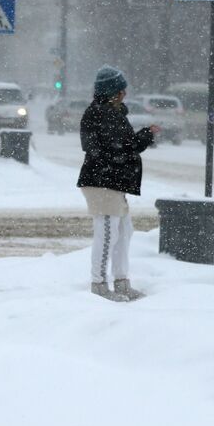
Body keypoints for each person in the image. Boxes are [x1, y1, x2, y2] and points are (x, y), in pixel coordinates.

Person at [77, 66, 159, 302]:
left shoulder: (112, 114)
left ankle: (122, 282)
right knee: (107, 233)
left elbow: (126, 144)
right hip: (101, 182)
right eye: (121, 88)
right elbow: (115, 147)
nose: (125, 92)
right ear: (113, 91)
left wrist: (145, 135)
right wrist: (135, 144)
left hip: (112, 182)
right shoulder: (100, 114)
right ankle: (99, 285)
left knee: (124, 231)